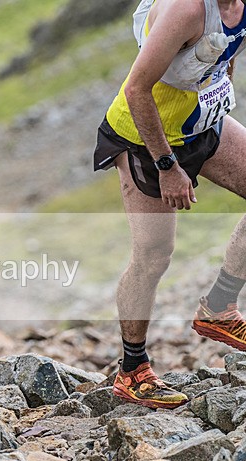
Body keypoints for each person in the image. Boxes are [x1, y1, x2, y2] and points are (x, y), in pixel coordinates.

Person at [94, 0, 246, 408]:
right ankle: (132, 369)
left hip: (202, 124)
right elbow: (136, 89)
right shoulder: (187, 10)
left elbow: (226, 51)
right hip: (145, 138)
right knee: (153, 256)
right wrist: (167, 167)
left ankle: (219, 308)